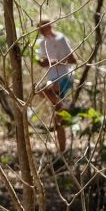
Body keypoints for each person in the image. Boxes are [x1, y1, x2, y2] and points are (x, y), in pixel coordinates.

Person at [35, 18, 77, 153]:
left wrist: (57, 62)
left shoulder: (61, 39)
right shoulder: (41, 43)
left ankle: (63, 105)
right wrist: (45, 62)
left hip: (65, 77)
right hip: (52, 79)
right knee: (58, 119)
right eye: (39, 29)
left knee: (45, 89)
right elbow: (41, 61)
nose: (41, 31)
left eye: (43, 28)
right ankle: (62, 152)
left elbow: (73, 60)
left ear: (50, 26)